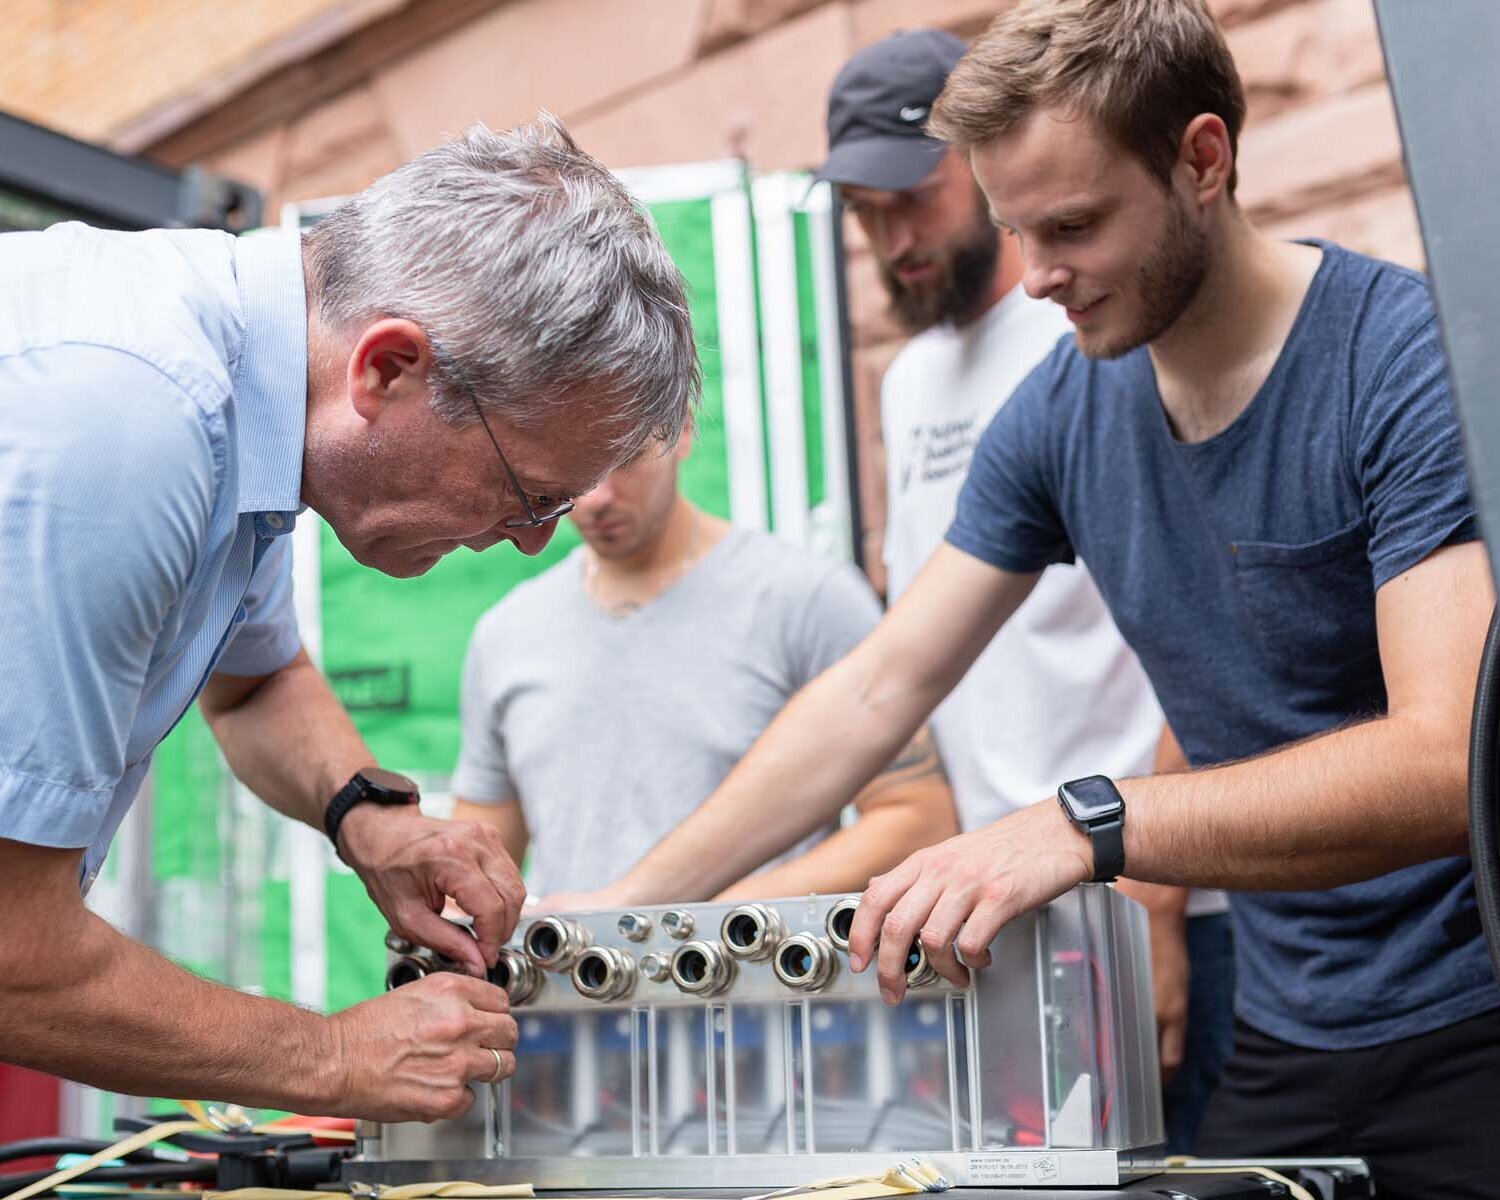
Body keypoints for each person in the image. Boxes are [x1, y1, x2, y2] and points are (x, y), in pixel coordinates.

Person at [561, 3, 1500, 1194]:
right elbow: (877, 685)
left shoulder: (1400, 357)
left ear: (1202, 160)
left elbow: (1442, 760)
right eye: (1016, 227)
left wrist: (1087, 824)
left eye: (1072, 225)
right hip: (1290, 1027)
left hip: (1474, 1019)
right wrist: (629, 906)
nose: (1038, 274)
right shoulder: (1065, 410)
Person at [0, 116, 698, 1124]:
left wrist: (371, 818)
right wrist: (330, 1056)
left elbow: (255, 685)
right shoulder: (130, 418)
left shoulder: (248, 394)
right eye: (529, 493)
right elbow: (16, 956)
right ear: (389, 370)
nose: (534, 541)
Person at [815, 29, 1230, 1152]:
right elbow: (910, 664)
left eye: (913, 197)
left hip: (1153, 891)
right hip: (996, 914)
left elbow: (1201, 627)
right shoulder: (905, 384)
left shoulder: (1099, 325)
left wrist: (1154, 907)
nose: (893, 238)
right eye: (863, 211)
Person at [450, 429, 957, 905]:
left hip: (753, 989)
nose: (597, 497)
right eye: (574, 470)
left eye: (623, 458)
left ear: (683, 428)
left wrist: (693, 923)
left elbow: (916, 818)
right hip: (571, 994)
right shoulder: (506, 633)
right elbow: (480, 868)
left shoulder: (804, 598)